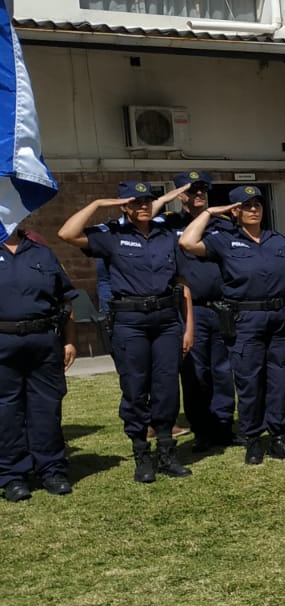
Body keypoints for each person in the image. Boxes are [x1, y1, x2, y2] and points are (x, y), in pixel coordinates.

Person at [58, 180, 194, 483]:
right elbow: (67, 233)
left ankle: (167, 453)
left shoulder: (166, 236)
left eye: (147, 201)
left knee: (167, 387)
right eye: (135, 202)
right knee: (134, 387)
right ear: (125, 206)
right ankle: (141, 455)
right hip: (130, 321)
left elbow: (182, 281)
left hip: (166, 320)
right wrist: (97, 205)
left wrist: (188, 327)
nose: (143, 206)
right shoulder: (112, 237)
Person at [177, 185, 285, 465]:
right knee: (249, 382)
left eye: (257, 204)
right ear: (234, 211)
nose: (253, 210)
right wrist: (210, 211)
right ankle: (252, 439)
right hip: (246, 320)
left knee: (278, 381)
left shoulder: (278, 241)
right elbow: (187, 242)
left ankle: (278, 436)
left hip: (280, 319)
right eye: (246, 206)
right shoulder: (224, 240)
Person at [0, 229, 77, 501]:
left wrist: (69, 340)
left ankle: (51, 469)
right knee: (6, 411)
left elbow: (64, 299)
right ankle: (13, 476)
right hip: (3, 341)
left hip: (43, 341)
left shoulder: (42, 252)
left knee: (46, 406)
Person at [162, 171, 237, 450]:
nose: (199, 196)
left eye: (203, 190)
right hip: (190, 310)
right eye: (192, 191)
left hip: (221, 307)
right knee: (195, 374)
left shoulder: (223, 224)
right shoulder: (169, 224)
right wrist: (168, 197)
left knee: (223, 371)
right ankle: (203, 429)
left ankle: (224, 427)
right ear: (181, 194)